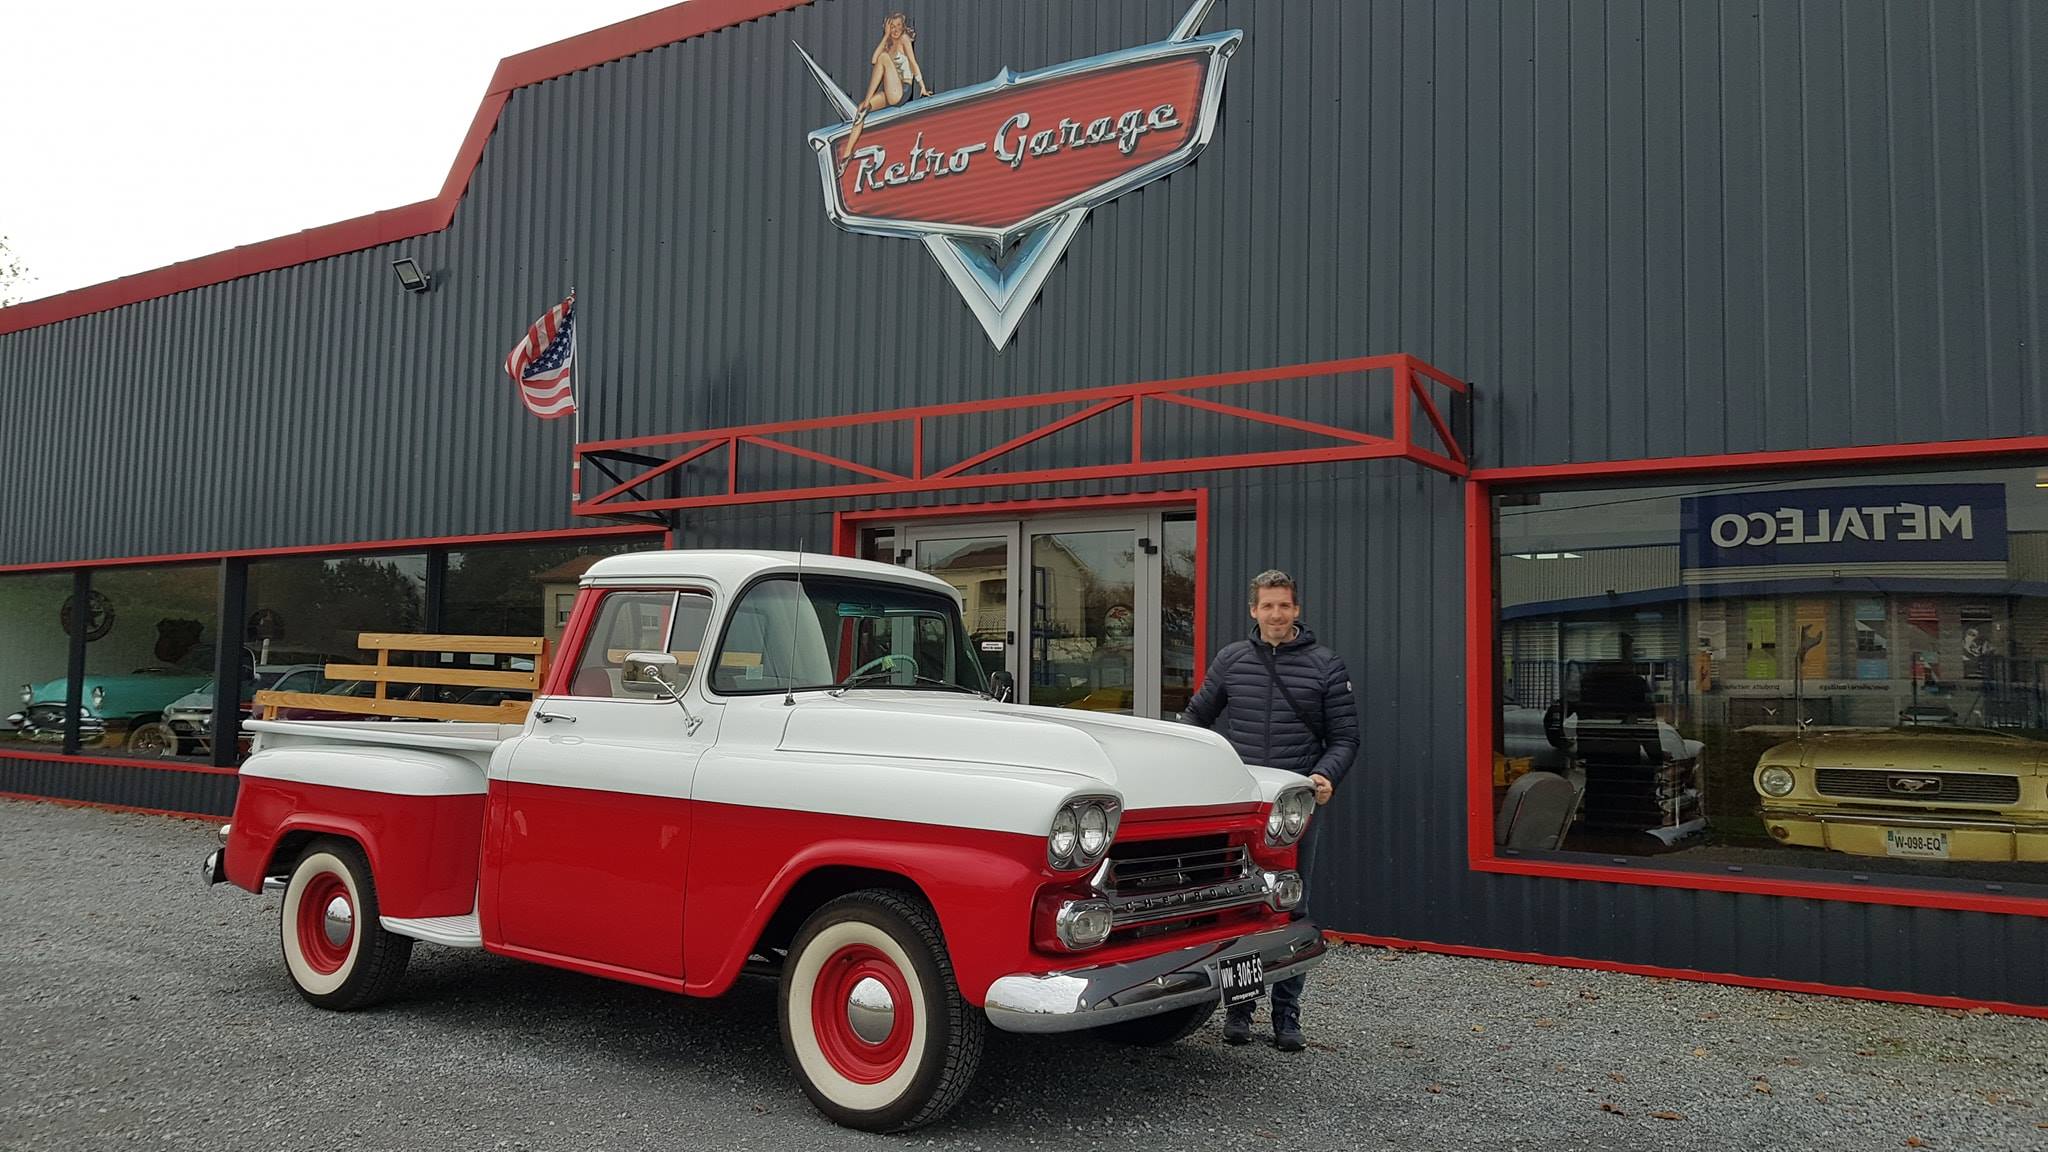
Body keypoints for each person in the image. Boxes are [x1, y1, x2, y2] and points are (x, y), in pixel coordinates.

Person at [1182, 568, 1359, 1052]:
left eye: (1284, 605)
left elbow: (1344, 738)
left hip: (1293, 809)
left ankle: (1288, 1017)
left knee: (1291, 906)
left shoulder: (1326, 665)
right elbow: (1197, 720)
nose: (1276, 614)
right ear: (1253, 610)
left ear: (1296, 610)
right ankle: (1240, 1010)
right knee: (1243, 905)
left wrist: (1325, 775)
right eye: (1267, 606)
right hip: (1240, 805)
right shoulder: (1232, 660)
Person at [837, 11, 931, 171]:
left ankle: (867, 101)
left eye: (898, 26)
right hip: (890, 91)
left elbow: (913, 62)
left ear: (903, 27)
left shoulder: (904, 39)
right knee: (860, 109)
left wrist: (922, 86)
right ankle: (847, 155)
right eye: (892, 27)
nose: (895, 30)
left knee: (884, 59)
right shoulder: (889, 43)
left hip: (903, 89)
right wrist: (886, 36)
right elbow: (873, 59)